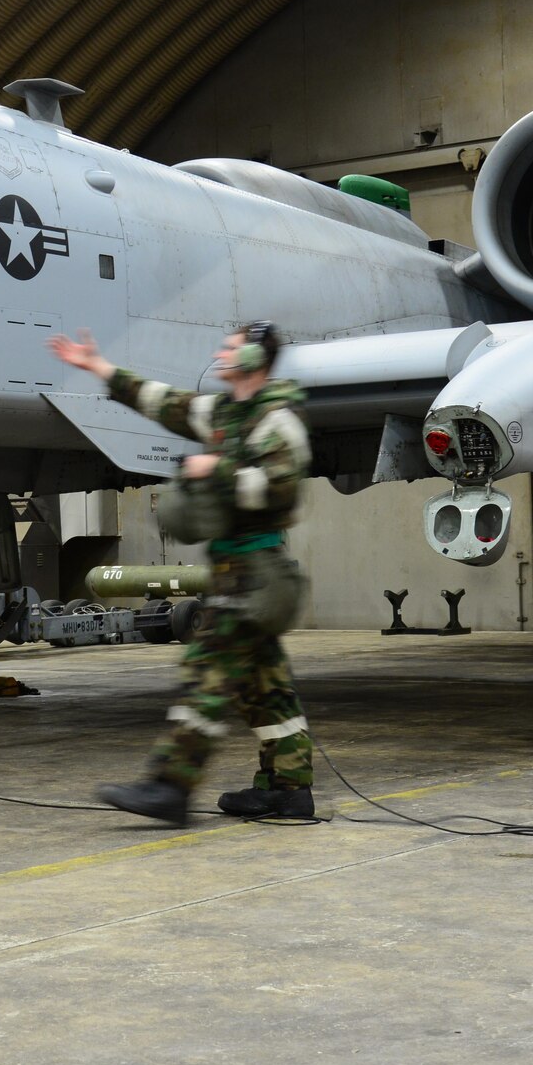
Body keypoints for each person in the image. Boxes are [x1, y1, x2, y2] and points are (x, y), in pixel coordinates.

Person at [48, 322, 317, 826]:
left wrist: (210, 471)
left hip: (257, 577)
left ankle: (171, 786)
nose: (221, 351)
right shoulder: (224, 412)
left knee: (207, 676)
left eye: (232, 347)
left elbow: (282, 489)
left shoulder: (278, 419)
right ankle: (288, 790)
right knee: (266, 688)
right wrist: (99, 367)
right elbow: (164, 402)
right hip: (239, 573)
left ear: (256, 356)